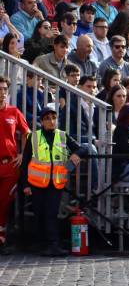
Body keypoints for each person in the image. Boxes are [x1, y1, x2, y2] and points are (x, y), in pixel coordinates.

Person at [19, 104, 86, 256]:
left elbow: (83, 148)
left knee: (51, 214)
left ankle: (53, 245)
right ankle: (42, 245)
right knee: (39, 214)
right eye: (47, 118)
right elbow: (25, 163)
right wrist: (25, 185)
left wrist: (75, 156)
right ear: (42, 121)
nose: (51, 121)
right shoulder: (34, 137)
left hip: (55, 183)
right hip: (37, 183)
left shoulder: (62, 135)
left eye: (54, 118)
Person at [0, 76, 30, 253]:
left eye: (5, 89)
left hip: (9, 166)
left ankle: (2, 237)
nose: (2, 92)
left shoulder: (14, 112)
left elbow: (26, 133)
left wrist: (22, 154)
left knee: (4, 202)